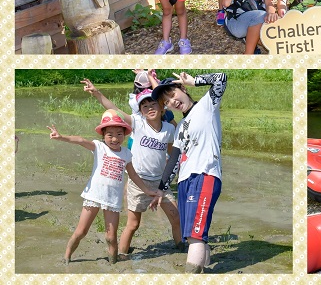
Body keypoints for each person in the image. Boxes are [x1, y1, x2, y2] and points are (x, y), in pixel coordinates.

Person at [80, 78, 182, 258]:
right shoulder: (137, 123)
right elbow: (114, 110)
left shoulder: (168, 129)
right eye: (144, 107)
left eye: (153, 104)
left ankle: (182, 249)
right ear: (140, 111)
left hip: (160, 183)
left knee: (176, 217)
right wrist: (97, 93)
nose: (149, 108)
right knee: (133, 224)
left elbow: (172, 154)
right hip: (138, 181)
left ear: (162, 107)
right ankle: (121, 254)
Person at [48, 110, 158, 264]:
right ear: (103, 135)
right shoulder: (99, 147)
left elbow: (133, 175)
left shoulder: (126, 153)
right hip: (94, 196)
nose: (115, 138)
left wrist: (147, 190)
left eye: (119, 134)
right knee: (81, 232)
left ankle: (113, 262)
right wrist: (61, 137)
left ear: (124, 135)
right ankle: (67, 256)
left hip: (112, 200)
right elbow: (80, 140)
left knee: (111, 237)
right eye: (110, 135)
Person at [150, 71, 227, 274]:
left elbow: (221, 78)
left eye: (172, 95)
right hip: (184, 181)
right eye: (166, 102)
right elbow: (174, 160)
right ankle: (204, 268)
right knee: (192, 233)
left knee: (195, 235)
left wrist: (195, 81)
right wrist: (160, 190)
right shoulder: (180, 127)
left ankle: (190, 274)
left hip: (205, 175)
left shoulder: (206, 105)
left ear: (182, 89)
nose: (171, 102)